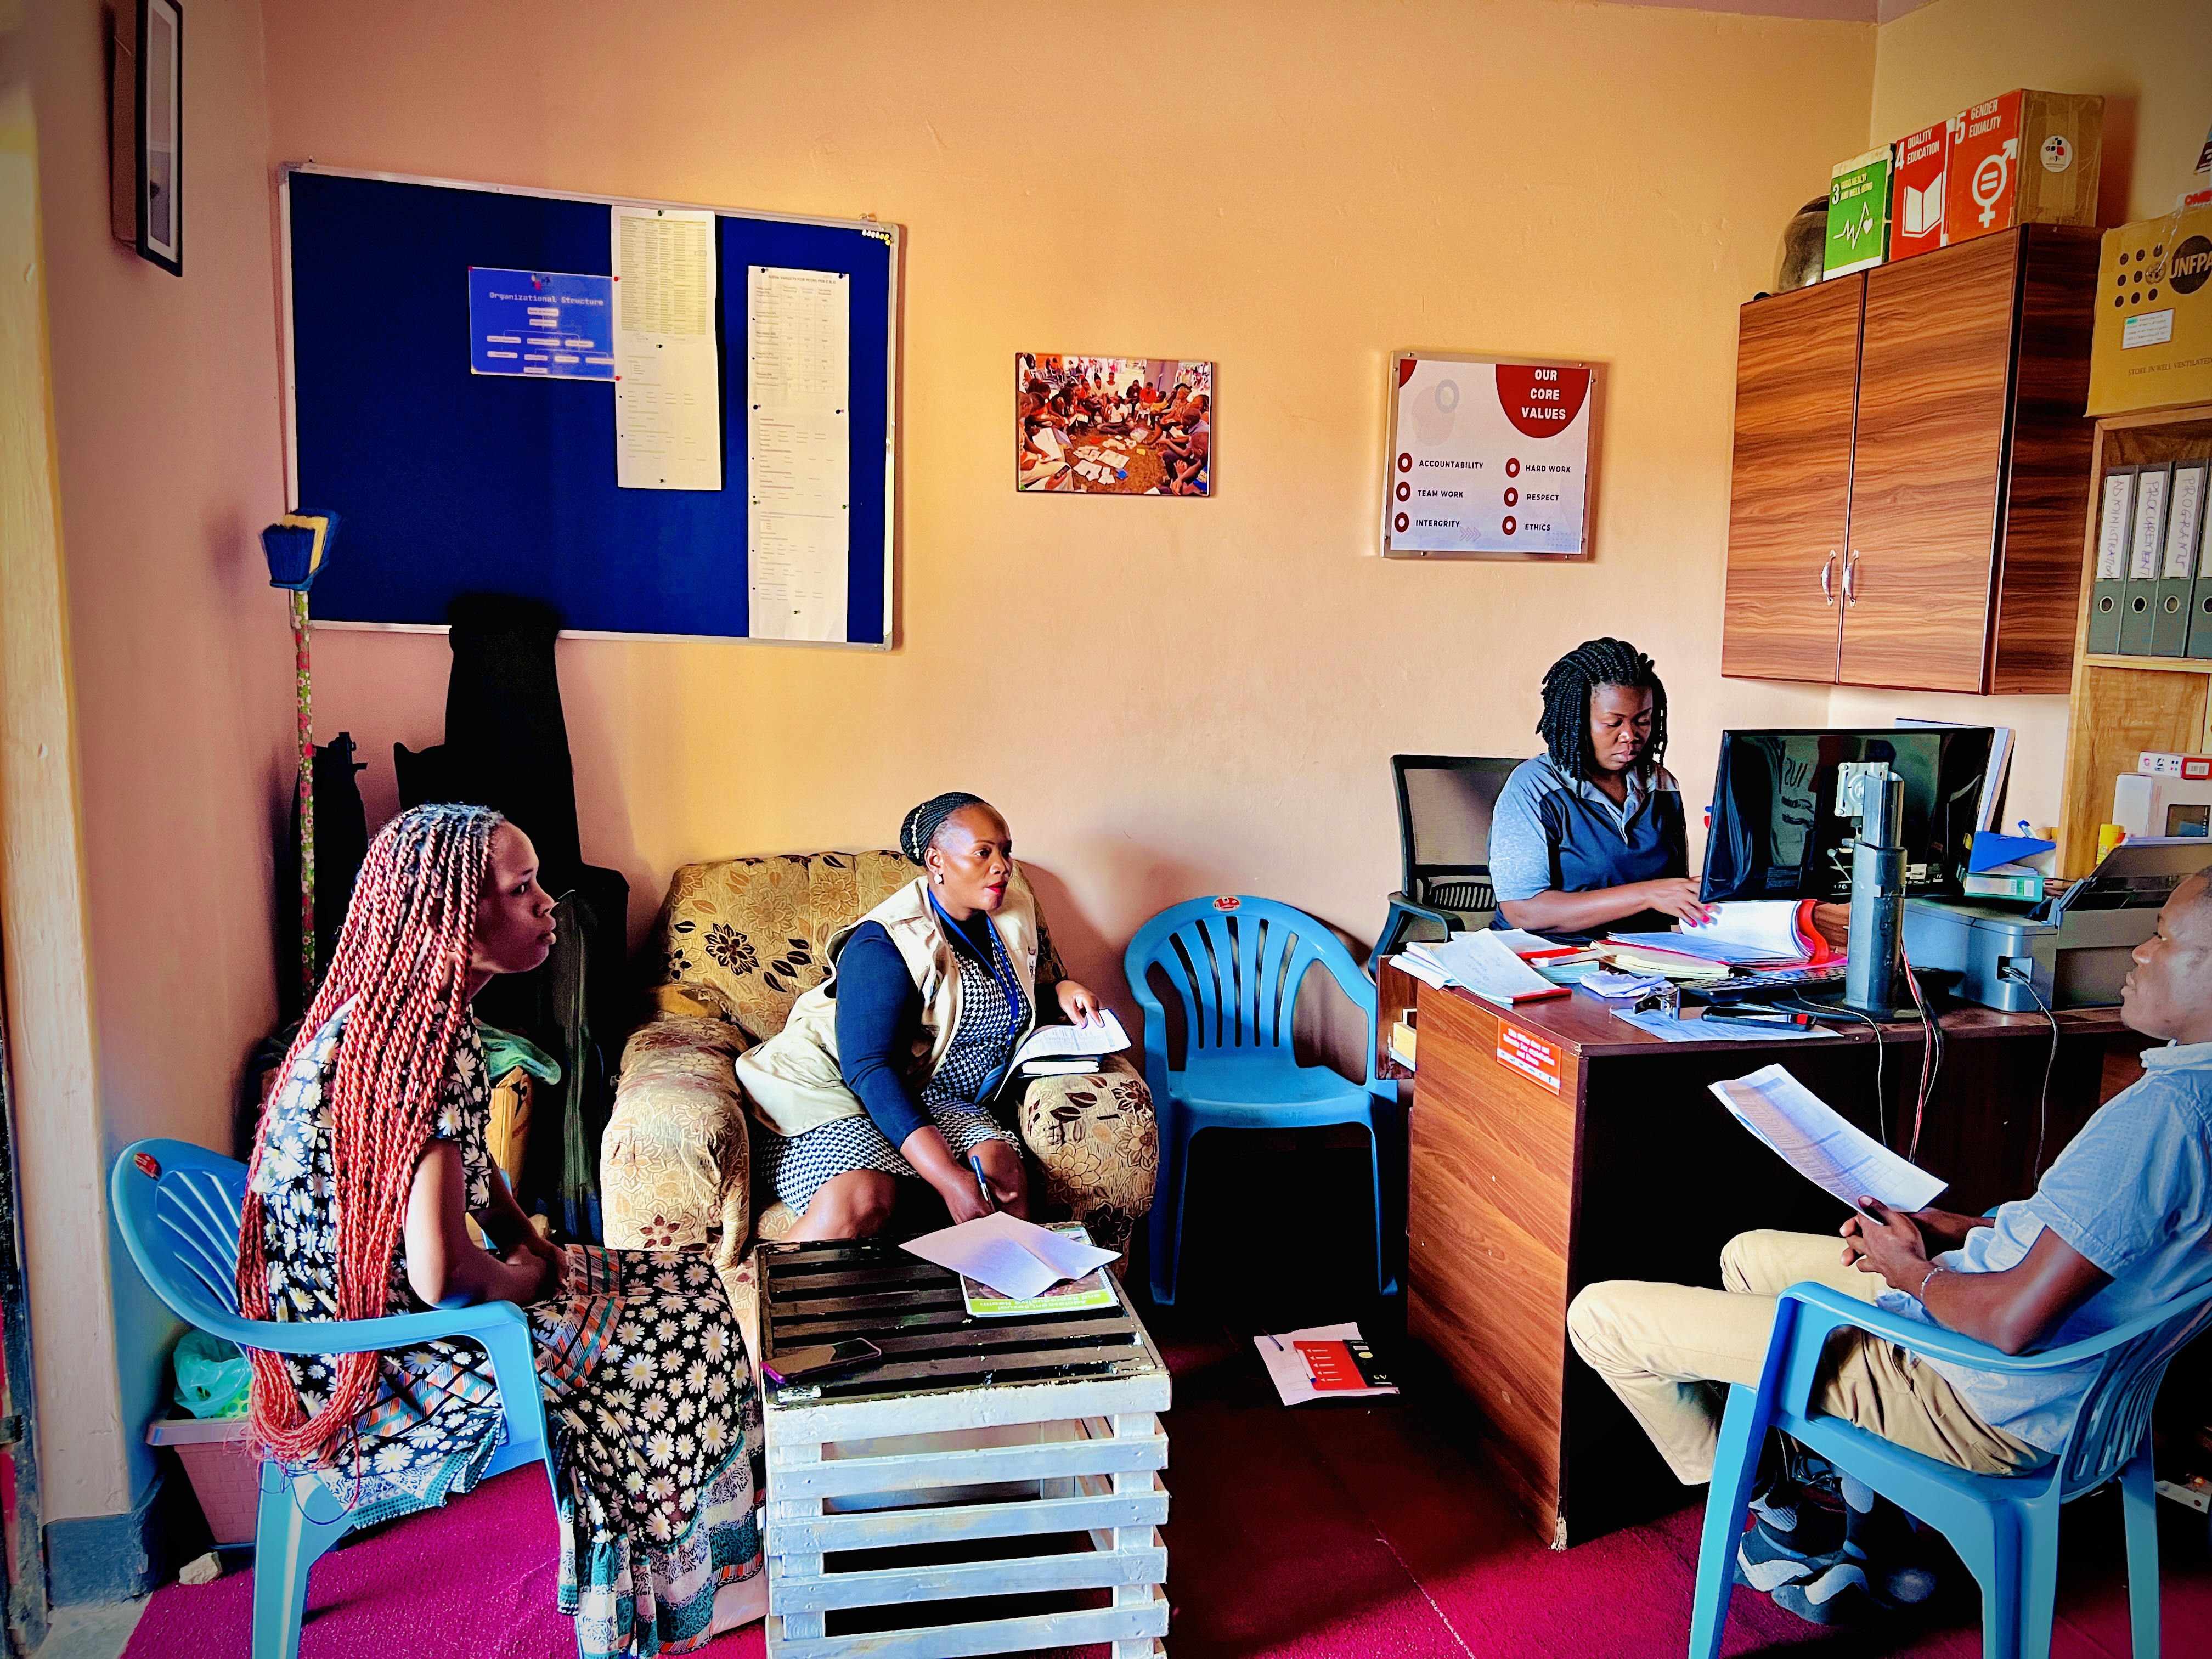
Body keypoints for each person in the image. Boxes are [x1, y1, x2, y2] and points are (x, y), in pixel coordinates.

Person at [1566, 868, 2212, 1625]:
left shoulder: (2165, 1120)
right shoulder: (2185, 1100)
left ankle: (1778, 1505)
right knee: (1750, 1254)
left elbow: (2010, 1323)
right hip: (2072, 1388)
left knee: (1600, 1317)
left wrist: (1914, 1271)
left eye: (2162, 938)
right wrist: (1957, 1231)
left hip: (1979, 1393)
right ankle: (1869, 1525)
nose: (2138, 952)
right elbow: (2100, 1248)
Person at [241, 804, 766, 1658]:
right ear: (452, 917)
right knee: (668, 1334)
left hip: (372, 1307)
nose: (548, 904)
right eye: (522, 890)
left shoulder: (420, 1018)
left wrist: (537, 1244)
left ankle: (699, 1565)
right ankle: (654, 1596)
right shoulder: (416, 1048)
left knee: (695, 1283)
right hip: (383, 1348)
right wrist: (526, 1281)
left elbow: (473, 1187)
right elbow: (443, 1276)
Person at [738, 792, 1109, 1240]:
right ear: (937, 860)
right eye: (983, 853)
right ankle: (772, 1306)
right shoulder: (884, 943)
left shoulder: (1010, 911)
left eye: (1005, 850)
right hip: (825, 1085)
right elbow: (871, 1069)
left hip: (927, 1084)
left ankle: (1008, 1301)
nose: (1002, 866)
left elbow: (984, 1000)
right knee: (861, 1199)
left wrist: (1060, 992)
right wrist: (948, 1178)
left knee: (1002, 1178)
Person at [1489, 637, 1706, 940]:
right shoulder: (1534, 787)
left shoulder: (1661, 784)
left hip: (1639, 958)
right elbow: (1522, 911)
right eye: (1613, 723)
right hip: (1548, 957)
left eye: (1643, 721)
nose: (1630, 735)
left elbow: (1671, 891)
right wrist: (1645, 894)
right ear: (1578, 722)